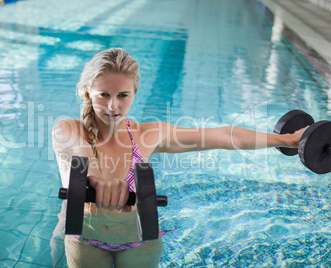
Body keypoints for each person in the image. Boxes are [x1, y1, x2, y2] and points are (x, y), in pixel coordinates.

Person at [51, 48, 306, 268]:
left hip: (138, 241)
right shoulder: (68, 128)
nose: (113, 106)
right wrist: (96, 182)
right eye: (104, 94)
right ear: (87, 93)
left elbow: (223, 136)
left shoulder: (147, 135)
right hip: (85, 239)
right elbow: (81, 156)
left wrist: (287, 140)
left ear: (134, 93)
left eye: (123, 95)